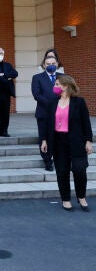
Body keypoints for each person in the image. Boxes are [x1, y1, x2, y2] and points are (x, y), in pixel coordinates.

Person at [40, 75, 93, 212]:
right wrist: (44, 140)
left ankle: (81, 197)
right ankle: (66, 199)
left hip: (76, 141)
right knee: (62, 172)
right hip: (58, 141)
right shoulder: (52, 103)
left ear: (66, 86)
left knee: (79, 170)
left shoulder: (79, 102)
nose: (55, 87)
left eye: (57, 84)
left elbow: (86, 123)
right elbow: (46, 124)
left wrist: (88, 141)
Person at [32, 55, 64, 171]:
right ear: (44, 65)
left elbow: (67, 91)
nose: (51, 65)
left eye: (53, 63)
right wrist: (51, 105)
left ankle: (60, 159)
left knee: (59, 137)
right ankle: (47, 160)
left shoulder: (63, 77)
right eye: (48, 64)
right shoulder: (37, 78)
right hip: (44, 113)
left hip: (61, 113)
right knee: (44, 137)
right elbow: (37, 94)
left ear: (57, 64)